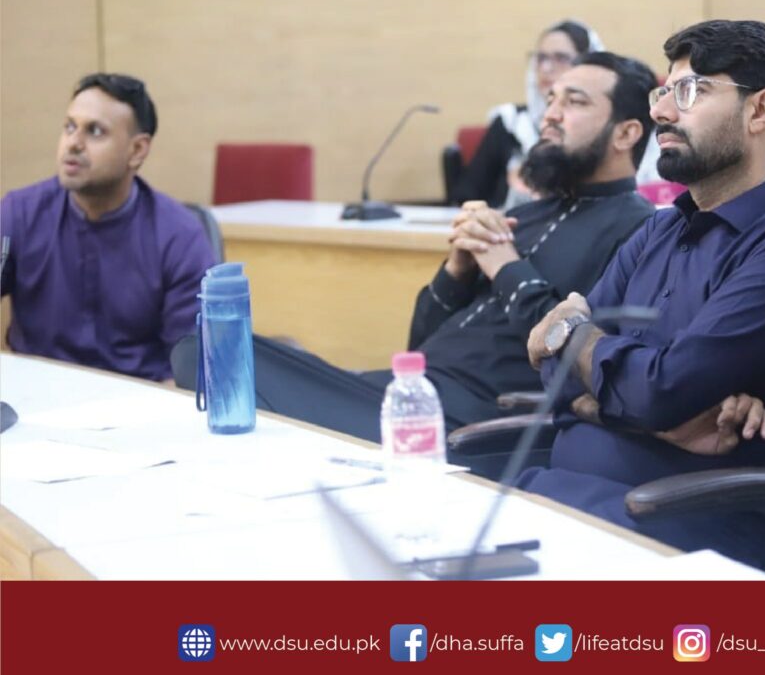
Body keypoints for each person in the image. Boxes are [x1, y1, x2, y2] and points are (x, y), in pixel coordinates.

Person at [521, 20, 765, 579]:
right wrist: (646, 411)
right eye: (664, 91)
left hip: (697, 531)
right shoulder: (660, 229)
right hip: (575, 502)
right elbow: (559, 381)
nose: (661, 111)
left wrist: (576, 339)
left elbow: (658, 391)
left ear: (760, 111)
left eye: (690, 91)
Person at [209, 52, 659, 441]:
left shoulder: (638, 230)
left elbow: (574, 352)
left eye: (574, 102)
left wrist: (505, 267)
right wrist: (456, 269)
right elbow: (419, 344)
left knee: (229, 368)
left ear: (625, 134)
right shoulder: (527, 216)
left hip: (474, 418)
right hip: (409, 393)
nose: (550, 115)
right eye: (552, 99)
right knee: (215, 358)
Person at [0, 73, 216, 381]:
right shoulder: (18, 214)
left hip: (143, 402)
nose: (74, 143)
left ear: (137, 150)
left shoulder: (179, 236)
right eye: (69, 127)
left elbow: (191, 373)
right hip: (35, 397)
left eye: (95, 131)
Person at [451, 19, 604, 208]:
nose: (546, 68)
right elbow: (467, 195)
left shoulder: (599, 128)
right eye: (541, 58)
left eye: (561, 58)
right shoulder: (510, 122)